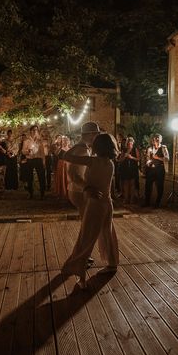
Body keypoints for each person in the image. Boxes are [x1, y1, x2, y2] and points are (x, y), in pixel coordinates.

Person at [61, 133, 120, 289]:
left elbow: (66, 156)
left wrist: (77, 144)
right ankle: (112, 264)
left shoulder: (92, 161)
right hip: (107, 203)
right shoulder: (110, 163)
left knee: (86, 238)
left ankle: (81, 277)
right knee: (108, 232)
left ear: (97, 147)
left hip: (95, 204)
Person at [67, 122, 101, 217]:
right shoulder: (82, 150)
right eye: (96, 134)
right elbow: (74, 174)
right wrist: (87, 188)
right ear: (90, 134)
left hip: (79, 189)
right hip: (80, 191)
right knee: (87, 222)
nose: (97, 137)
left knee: (87, 222)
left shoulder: (81, 148)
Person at [143, 133, 169, 208]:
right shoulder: (150, 148)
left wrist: (158, 158)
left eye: (157, 138)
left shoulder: (163, 148)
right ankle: (147, 202)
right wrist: (148, 163)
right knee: (148, 186)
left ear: (160, 140)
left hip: (160, 169)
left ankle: (157, 203)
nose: (155, 140)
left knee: (159, 186)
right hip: (151, 170)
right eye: (154, 139)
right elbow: (148, 158)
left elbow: (167, 158)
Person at [21, 125, 47, 199]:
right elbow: (23, 151)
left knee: (41, 176)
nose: (35, 131)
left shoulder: (40, 141)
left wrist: (44, 161)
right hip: (30, 160)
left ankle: (42, 193)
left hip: (38, 160)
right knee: (29, 177)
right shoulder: (26, 141)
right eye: (33, 130)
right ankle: (30, 193)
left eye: (36, 130)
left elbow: (42, 152)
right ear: (30, 131)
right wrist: (27, 151)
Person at [117, 137, 140, 205]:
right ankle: (126, 198)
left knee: (132, 184)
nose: (129, 145)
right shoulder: (124, 150)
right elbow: (120, 160)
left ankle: (132, 199)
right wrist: (124, 156)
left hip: (133, 169)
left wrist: (131, 157)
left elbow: (138, 159)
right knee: (126, 184)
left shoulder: (135, 149)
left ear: (132, 143)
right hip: (125, 169)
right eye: (128, 143)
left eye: (131, 143)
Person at [53, 135, 71, 199]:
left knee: (67, 178)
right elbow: (56, 154)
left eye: (66, 140)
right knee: (62, 178)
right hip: (61, 165)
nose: (65, 142)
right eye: (64, 141)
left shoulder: (70, 149)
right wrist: (59, 147)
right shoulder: (60, 149)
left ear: (68, 141)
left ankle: (68, 192)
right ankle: (61, 192)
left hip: (68, 164)